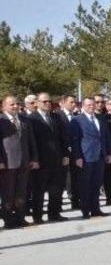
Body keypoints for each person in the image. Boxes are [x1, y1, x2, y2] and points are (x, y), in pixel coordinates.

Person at [25, 93, 69, 223]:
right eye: (44, 101)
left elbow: (63, 138)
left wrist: (65, 154)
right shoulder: (31, 118)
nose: (48, 103)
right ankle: (37, 216)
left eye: (49, 101)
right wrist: (34, 159)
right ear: (37, 103)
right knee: (39, 190)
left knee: (56, 189)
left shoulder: (56, 117)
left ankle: (54, 214)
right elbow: (30, 141)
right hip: (40, 161)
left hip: (57, 159)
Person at [68, 96, 111, 219]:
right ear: (83, 106)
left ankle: (96, 209)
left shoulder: (101, 119)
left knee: (97, 184)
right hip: (85, 156)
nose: (92, 107)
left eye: (93, 104)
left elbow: (106, 137)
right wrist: (77, 157)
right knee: (85, 184)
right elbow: (75, 140)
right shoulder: (77, 120)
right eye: (89, 105)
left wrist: (109, 153)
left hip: (100, 156)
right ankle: (85, 210)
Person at [1, 95, 40, 228]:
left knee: (21, 192)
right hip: (8, 163)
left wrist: (34, 158)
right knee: (8, 193)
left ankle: (20, 217)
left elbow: (32, 141)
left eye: (17, 104)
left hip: (24, 162)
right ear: (4, 106)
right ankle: (8, 220)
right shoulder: (1, 120)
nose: (15, 106)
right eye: (12, 104)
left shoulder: (24, 119)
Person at [59, 94, 81, 211]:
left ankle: (75, 200)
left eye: (75, 102)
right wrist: (65, 151)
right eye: (71, 102)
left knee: (75, 177)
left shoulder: (76, 116)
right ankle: (59, 203)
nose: (74, 104)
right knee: (63, 178)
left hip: (75, 152)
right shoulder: (58, 116)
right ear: (63, 102)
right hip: (64, 152)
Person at [99, 97, 111, 206]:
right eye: (97, 102)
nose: (99, 104)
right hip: (95, 151)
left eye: (101, 102)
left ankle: (110, 197)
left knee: (109, 175)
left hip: (108, 150)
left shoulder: (108, 117)